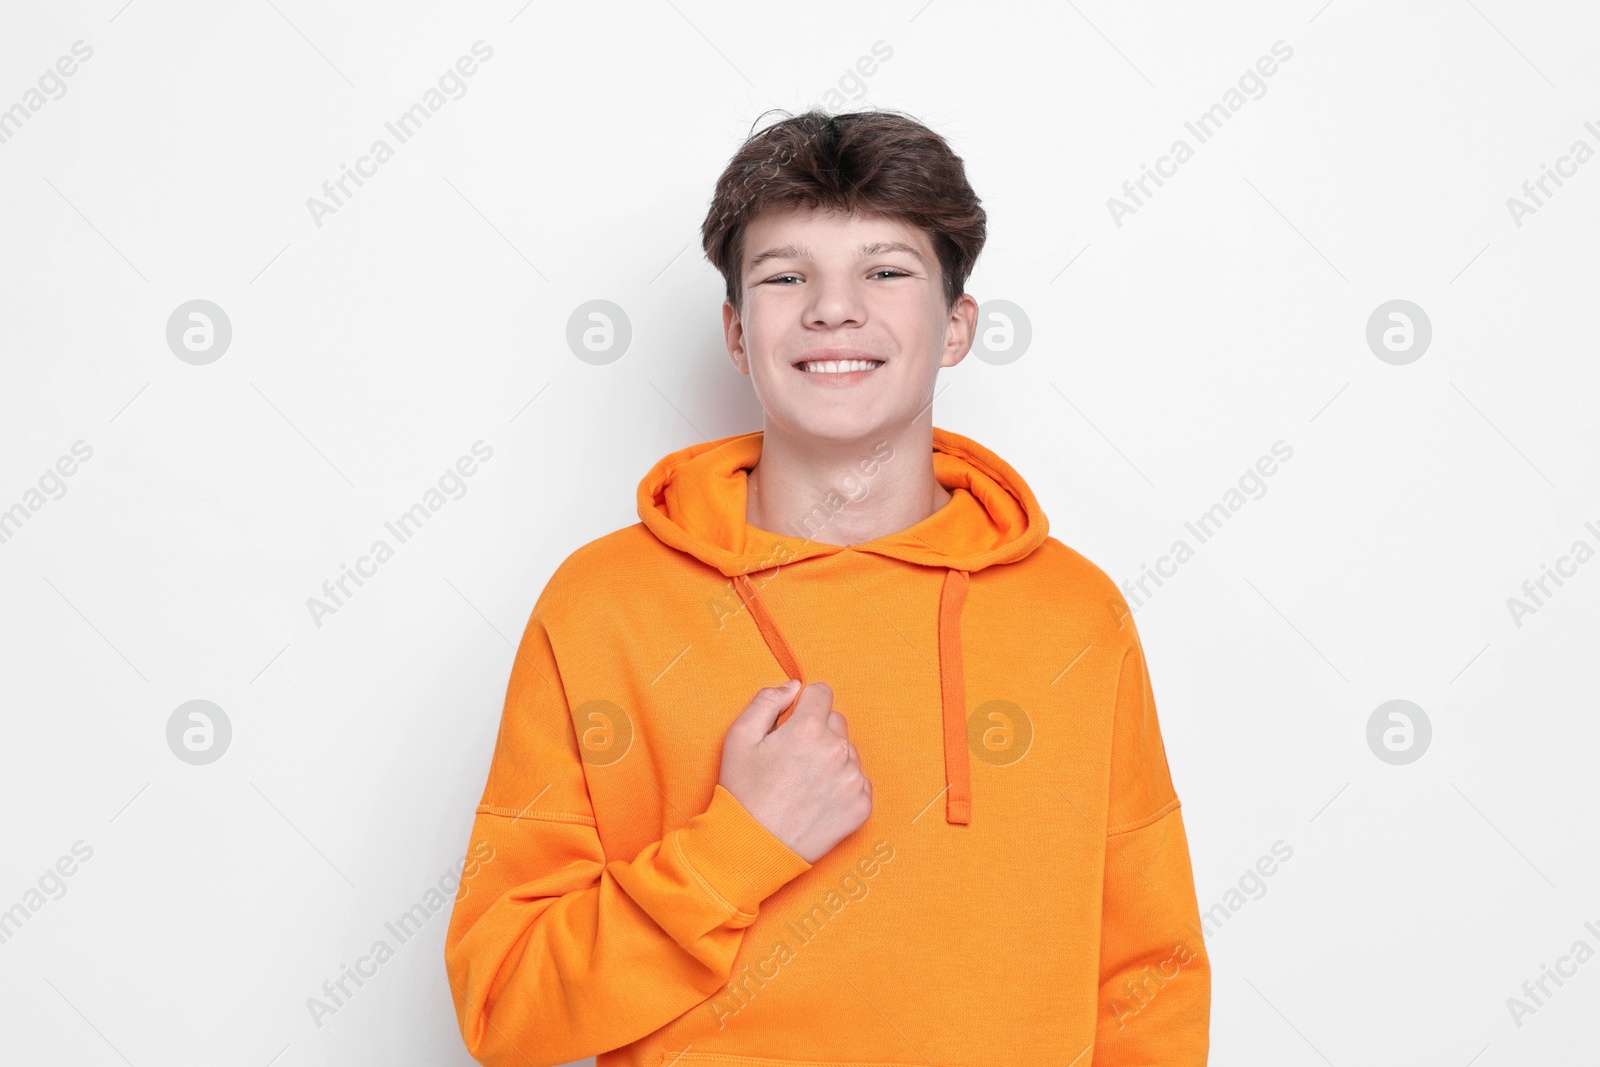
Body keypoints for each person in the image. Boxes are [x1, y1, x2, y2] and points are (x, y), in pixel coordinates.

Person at [445, 108, 1210, 1067]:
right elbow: (505, 1010)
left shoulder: (1076, 613)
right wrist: (737, 845)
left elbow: (1149, 980)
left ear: (958, 324)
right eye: (785, 276)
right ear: (735, 332)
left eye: (885, 271)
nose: (832, 308)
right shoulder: (605, 605)